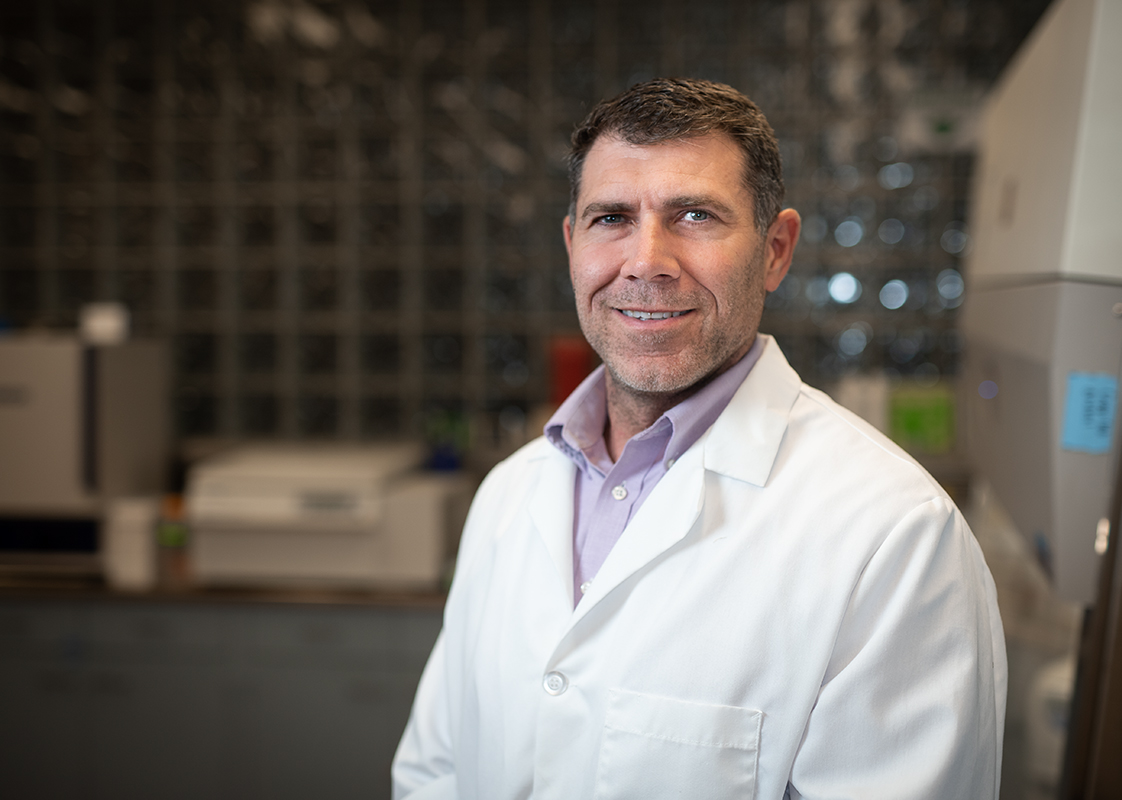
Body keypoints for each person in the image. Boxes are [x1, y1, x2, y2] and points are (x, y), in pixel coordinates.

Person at [392, 77, 1006, 800]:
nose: (646, 260)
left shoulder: (893, 537)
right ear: (572, 246)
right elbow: (435, 773)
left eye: (693, 214)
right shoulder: (509, 495)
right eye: (611, 218)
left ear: (775, 250)